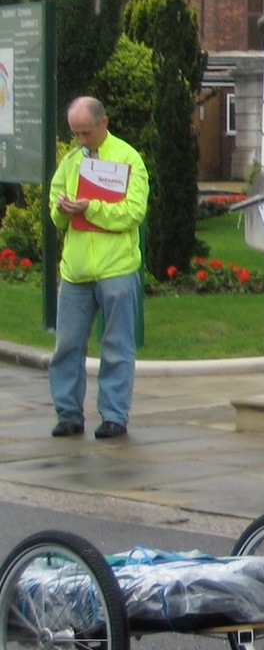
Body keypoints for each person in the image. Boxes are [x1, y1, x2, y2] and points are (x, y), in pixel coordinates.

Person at [48, 95, 149, 439]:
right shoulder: (71, 161)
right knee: (67, 346)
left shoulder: (128, 157)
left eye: (86, 133)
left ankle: (114, 416)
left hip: (116, 268)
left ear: (104, 123)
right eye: (76, 133)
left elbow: (134, 212)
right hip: (76, 270)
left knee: (117, 346)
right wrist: (64, 208)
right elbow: (55, 210)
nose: (81, 140)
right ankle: (68, 414)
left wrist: (90, 208)